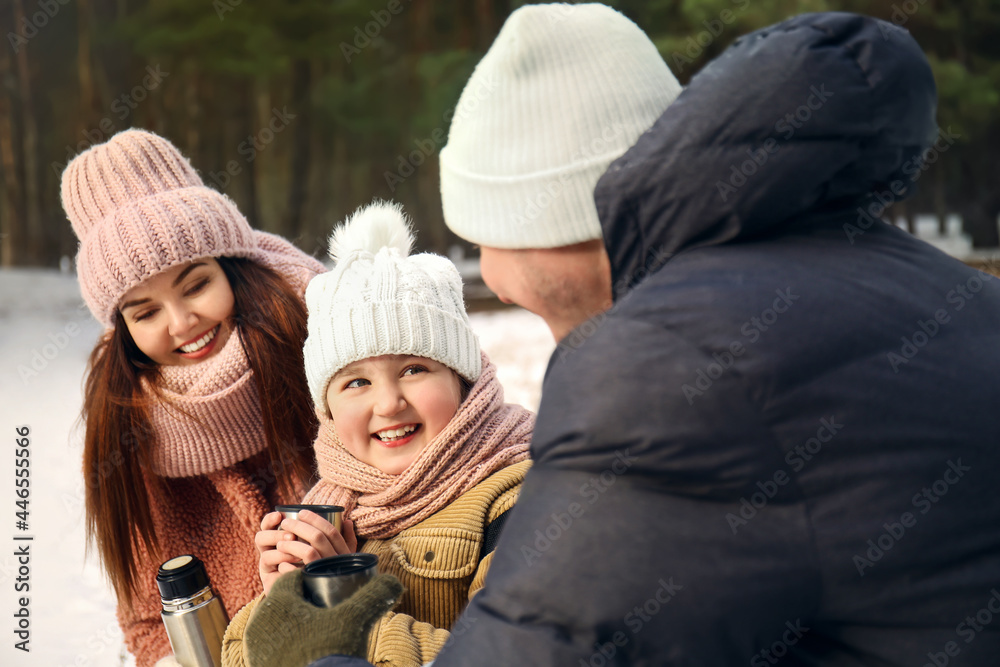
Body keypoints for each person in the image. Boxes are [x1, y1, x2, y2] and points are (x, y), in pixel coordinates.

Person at [432, 6, 1000, 666]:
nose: (493, 280)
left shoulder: (671, 363)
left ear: (555, 221)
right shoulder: (949, 292)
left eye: (484, 236)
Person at [221, 201, 534, 667]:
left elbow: (516, 655)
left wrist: (338, 606)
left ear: (463, 381)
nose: (388, 403)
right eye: (356, 383)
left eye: (413, 368)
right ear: (327, 408)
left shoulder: (515, 497)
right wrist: (283, 598)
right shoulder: (331, 506)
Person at [60, 129, 326, 667]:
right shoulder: (127, 424)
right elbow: (146, 624)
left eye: (195, 284)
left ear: (230, 266)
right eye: (146, 311)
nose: (182, 324)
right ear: (123, 328)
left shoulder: (327, 341)